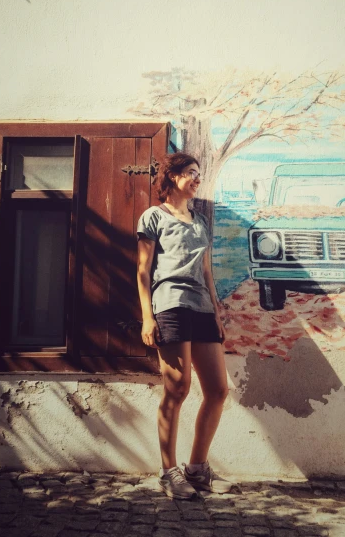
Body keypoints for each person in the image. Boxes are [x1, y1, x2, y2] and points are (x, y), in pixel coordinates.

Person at [136, 152, 232, 499]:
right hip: (170, 306)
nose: (196, 179)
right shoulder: (153, 217)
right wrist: (147, 316)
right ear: (173, 176)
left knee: (218, 390)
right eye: (191, 173)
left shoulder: (201, 221)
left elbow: (206, 271)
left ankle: (197, 469)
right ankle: (167, 472)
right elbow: (143, 271)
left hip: (202, 309)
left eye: (198, 174)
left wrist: (217, 314)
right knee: (178, 388)